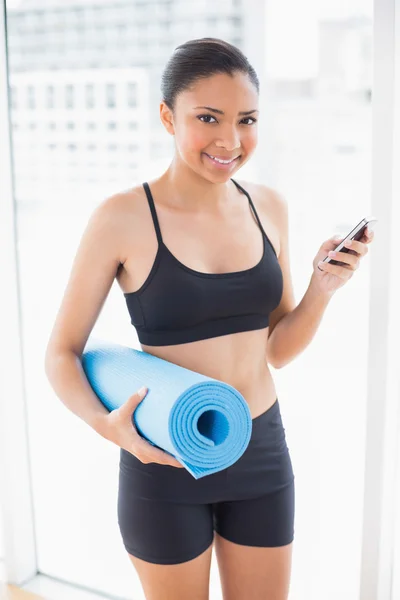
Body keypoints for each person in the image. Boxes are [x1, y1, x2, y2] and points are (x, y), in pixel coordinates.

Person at [45, 37, 374, 600]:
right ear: (167, 116)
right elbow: (61, 353)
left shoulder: (268, 205)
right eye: (208, 118)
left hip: (262, 450)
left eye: (246, 119)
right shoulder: (122, 217)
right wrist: (105, 425)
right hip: (164, 458)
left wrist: (323, 289)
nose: (230, 140)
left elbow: (277, 349)